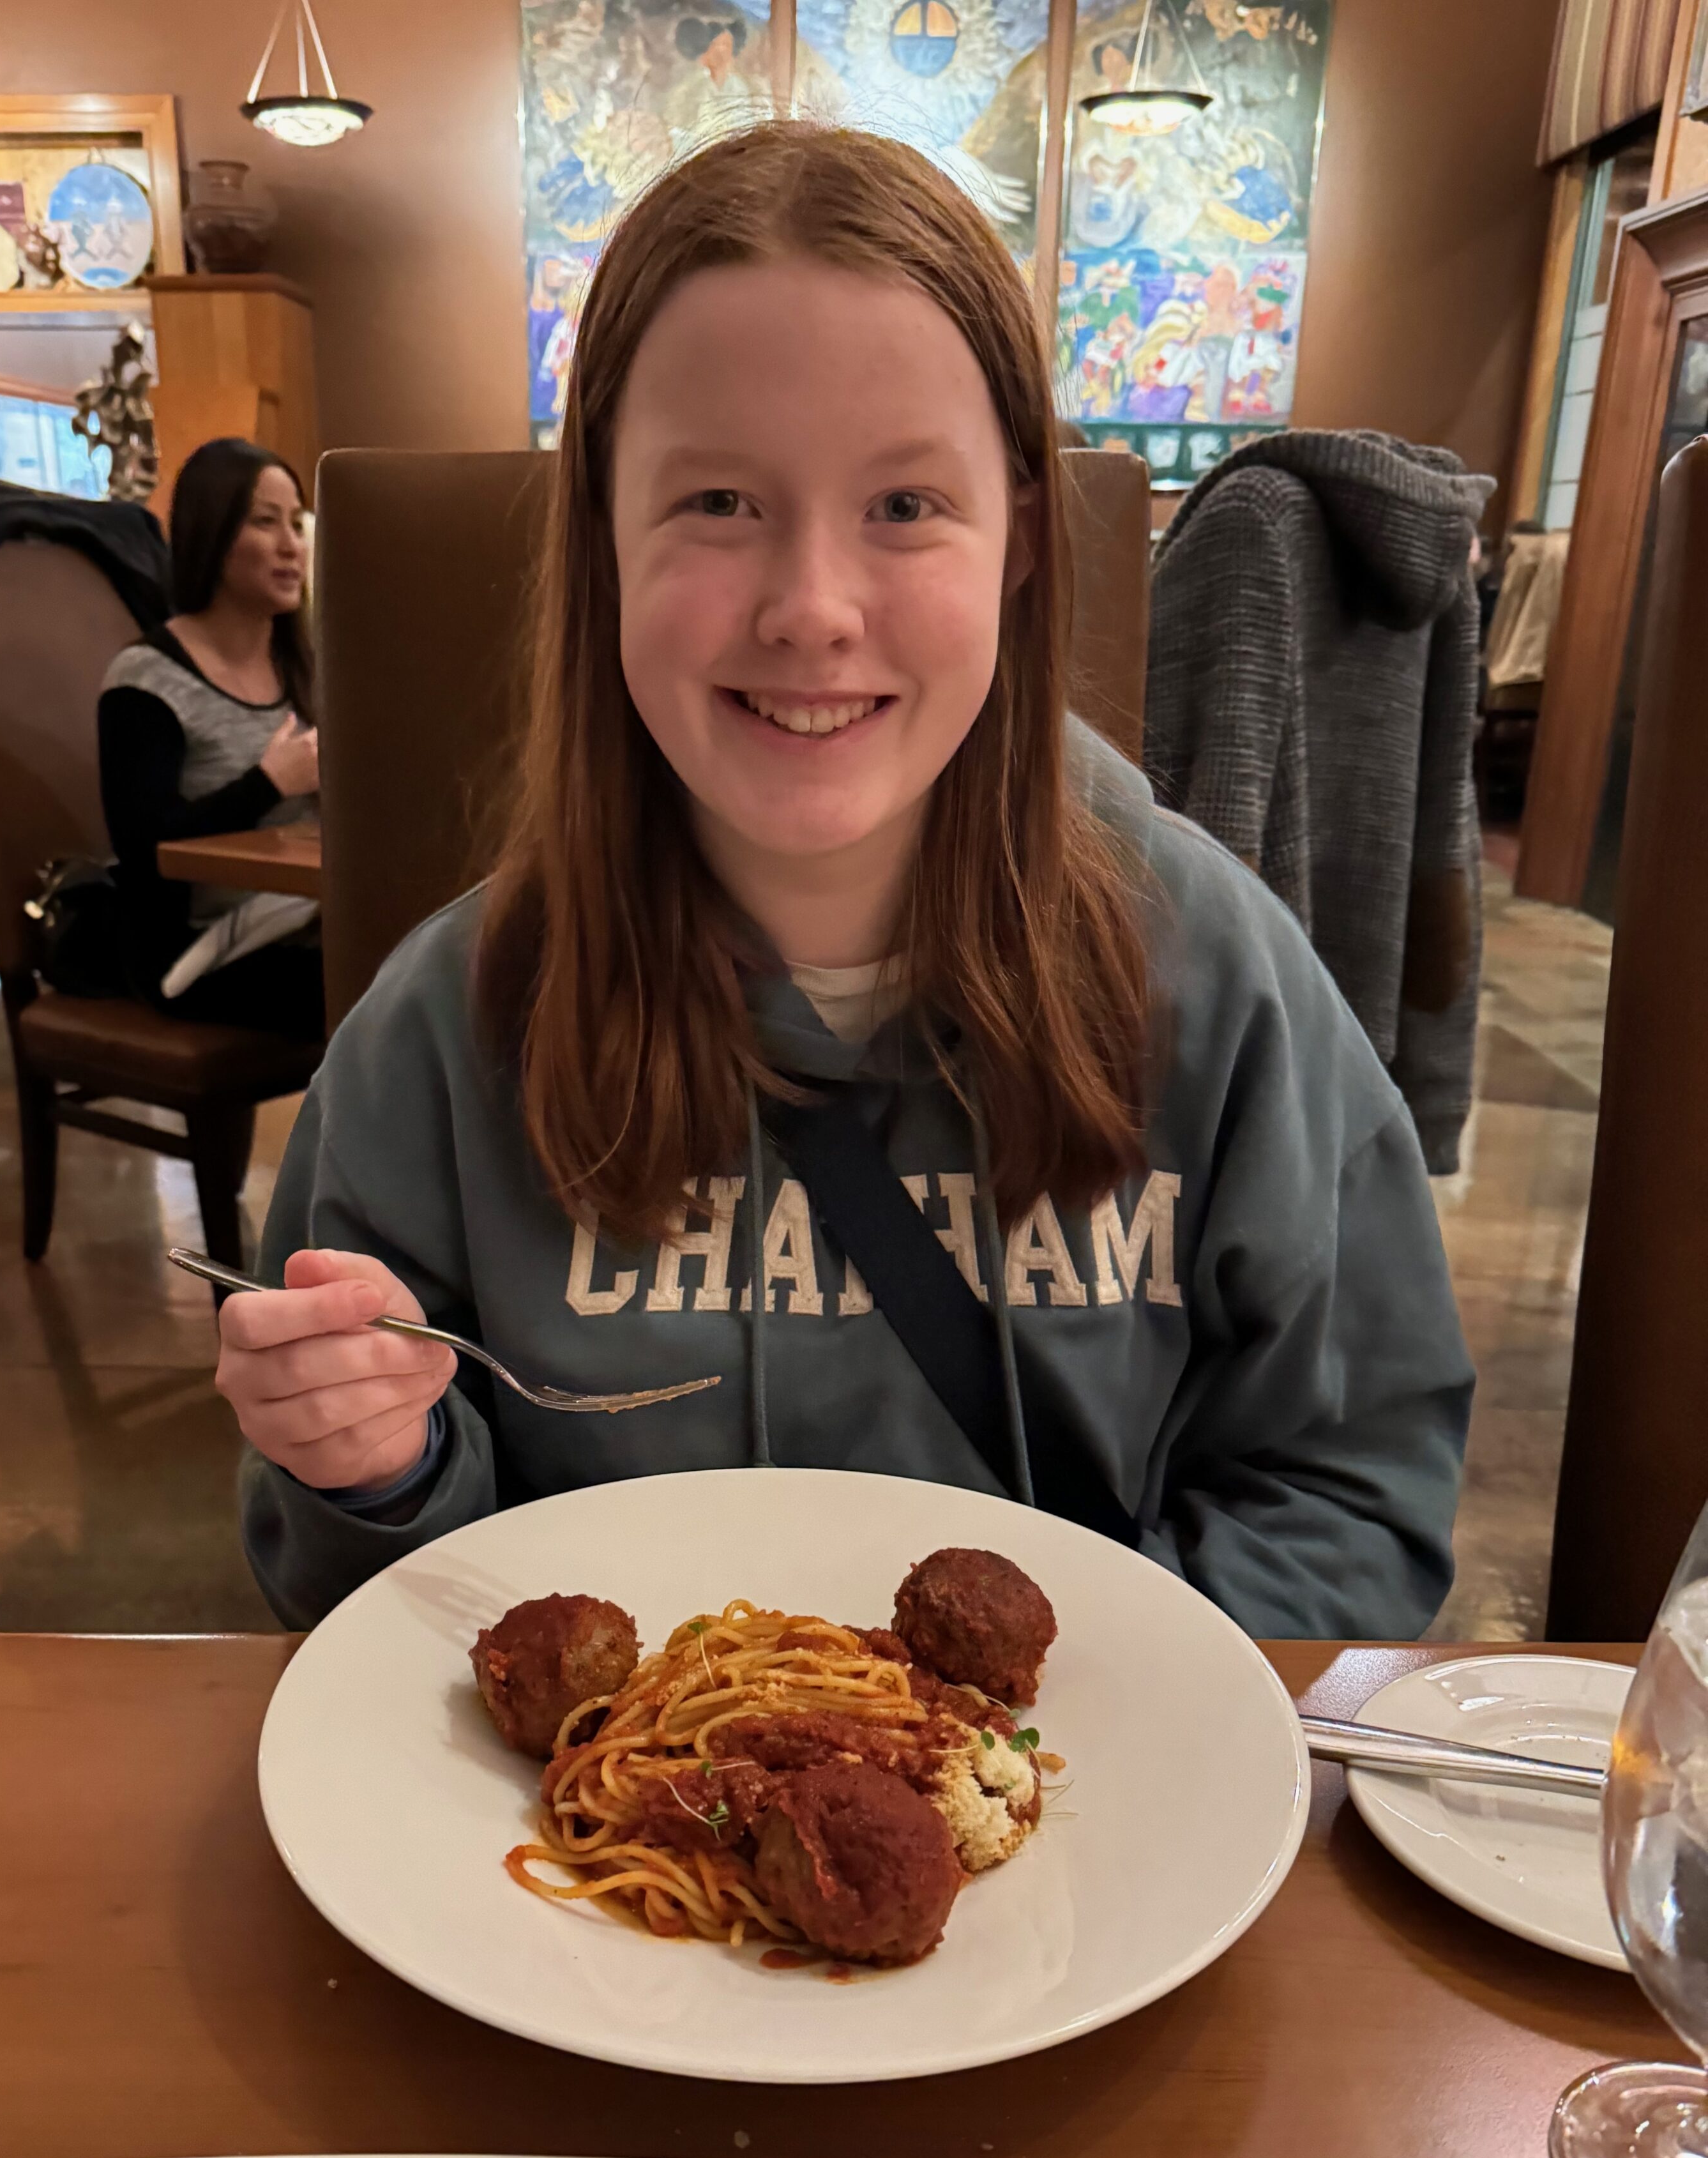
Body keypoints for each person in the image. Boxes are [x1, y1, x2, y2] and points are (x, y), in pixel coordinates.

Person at [217, 123, 1474, 1641]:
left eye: (902, 506)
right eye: (716, 504)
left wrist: (1086, 1743)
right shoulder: (440, 1033)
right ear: (602, 539)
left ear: (1015, 536)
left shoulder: (1221, 988)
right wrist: (373, 1467)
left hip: (1081, 1825)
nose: (811, 609)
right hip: (586, 1847)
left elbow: (1347, 1491)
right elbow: (352, 1603)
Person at [97, 438, 322, 1040]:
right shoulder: (145, 679)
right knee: (389, 997)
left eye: (296, 524)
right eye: (264, 522)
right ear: (212, 534)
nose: (289, 546)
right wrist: (268, 784)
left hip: (306, 921)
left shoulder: (304, 665)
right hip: (194, 951)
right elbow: (145, 851)